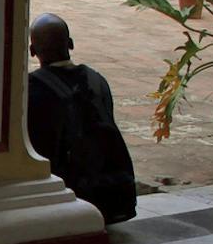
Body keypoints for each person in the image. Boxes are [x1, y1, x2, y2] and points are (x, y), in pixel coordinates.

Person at [26, 15, 137, 223]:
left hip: (71, 196)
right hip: (115, 197)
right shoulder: (97, 81)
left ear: (33, 51)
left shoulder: (31, 89)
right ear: (70, 44)